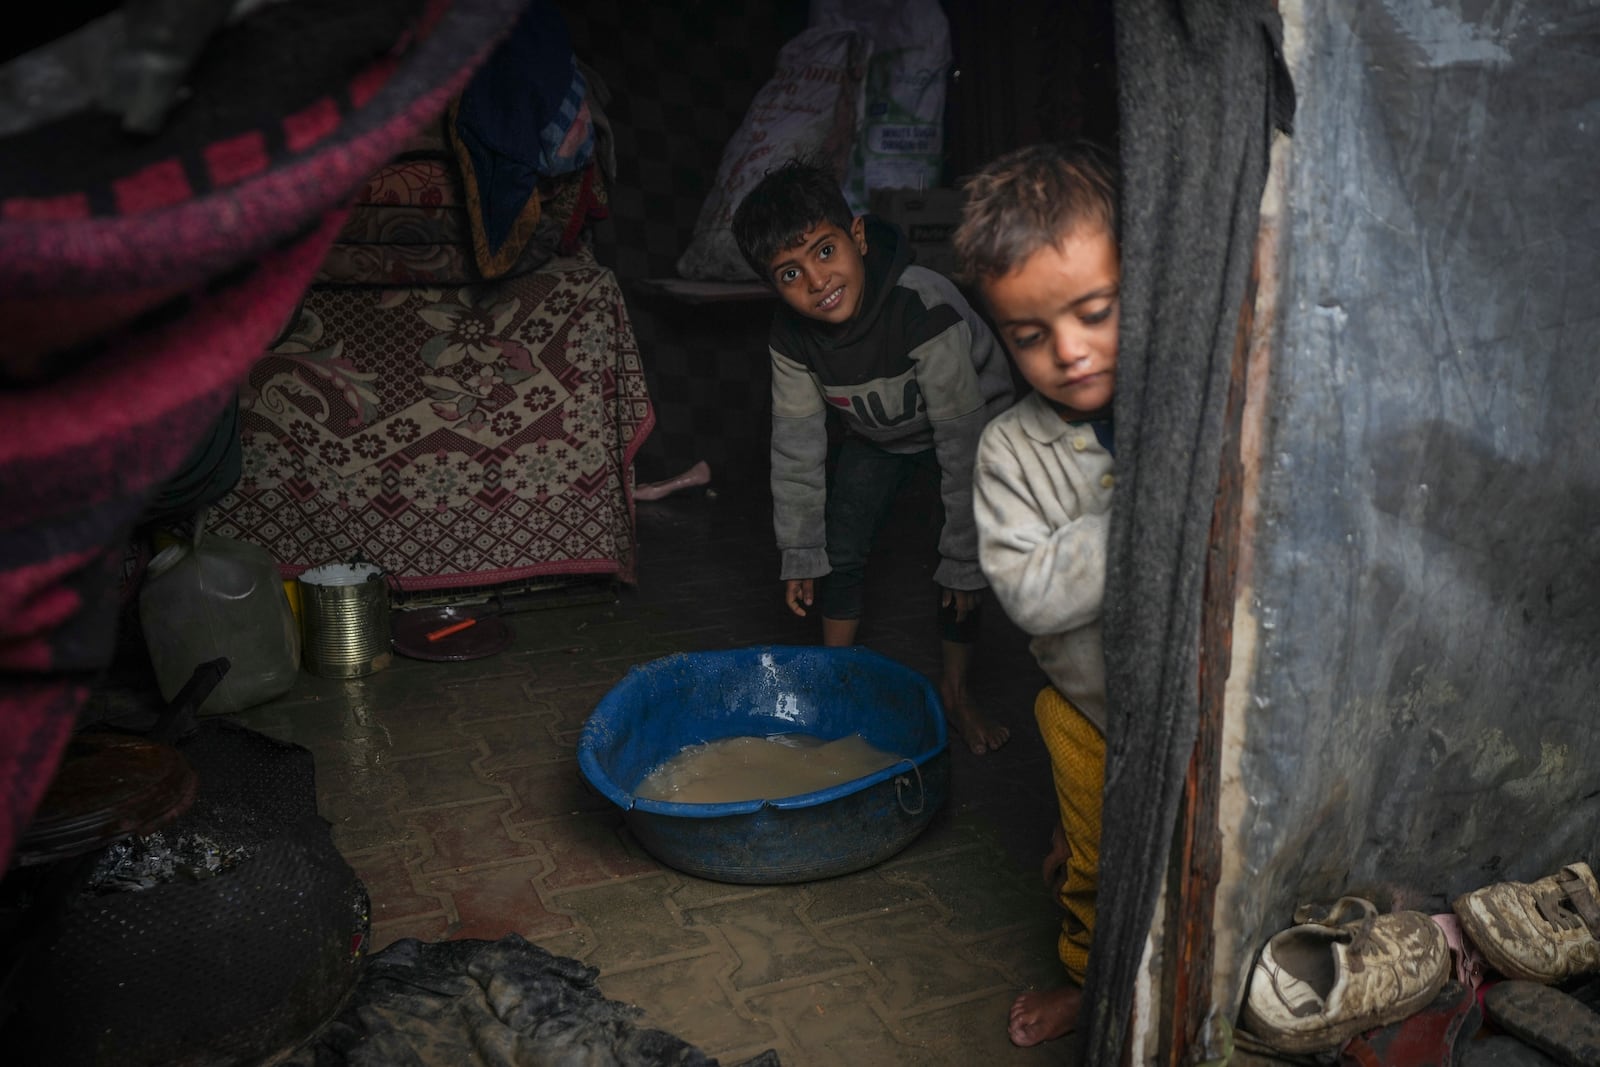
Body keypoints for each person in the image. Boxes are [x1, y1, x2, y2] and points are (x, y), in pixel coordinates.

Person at [730, 158, 1016, 755]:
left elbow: (961, 444)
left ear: (857, 236)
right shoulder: (790, 338)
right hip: (880, 437)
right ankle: (836, 688)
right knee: (840, 542)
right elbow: (796, 445)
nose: (816, 281)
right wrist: (801, 551)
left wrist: (964, 557)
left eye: (825, 251)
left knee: (961, 567)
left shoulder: (922, 306)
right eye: (790, 271)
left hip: (973, 431)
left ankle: (957, 694)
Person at [953, 140, 1121, 1046]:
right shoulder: (1008, 452)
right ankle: (1089, 979)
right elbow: (1031, 595)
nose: (1069, 351)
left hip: (1209, 709)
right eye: (1028, 335)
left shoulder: (1198, 392)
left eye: (1095, 312)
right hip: (1090, 709)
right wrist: (1144, 525)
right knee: (1095, 860)